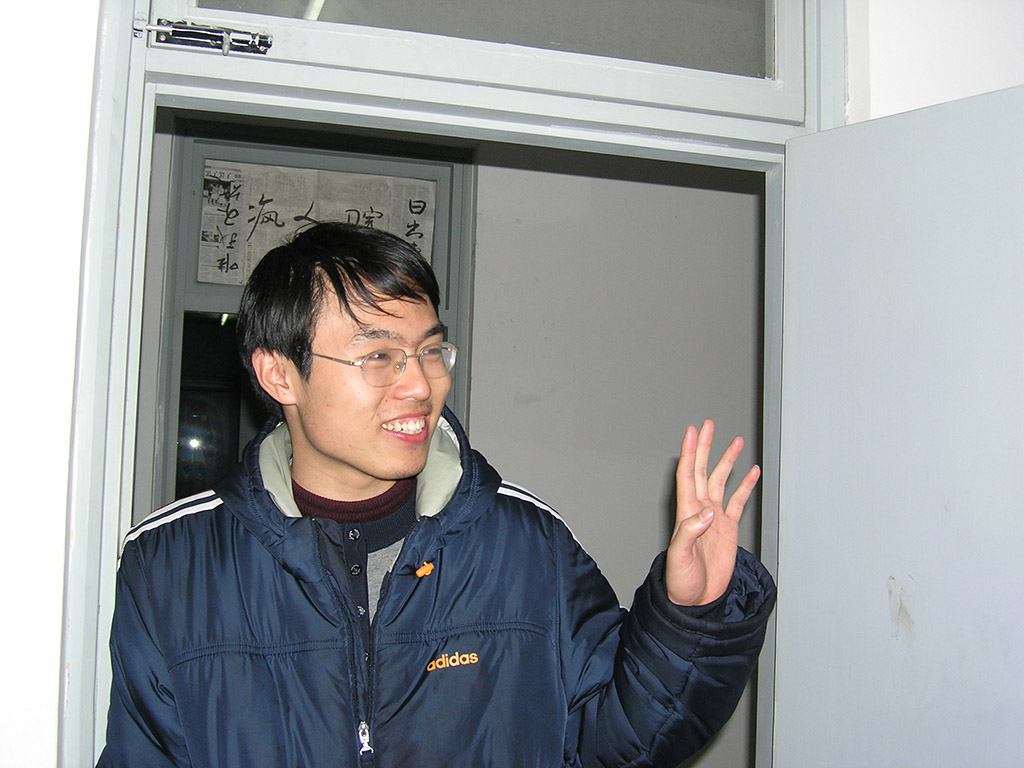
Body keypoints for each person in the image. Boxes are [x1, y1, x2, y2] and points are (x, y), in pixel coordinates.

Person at [98, 222, 776, 767]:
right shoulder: (171, 567)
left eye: (430, 351)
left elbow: (622, 741)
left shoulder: (524, 544)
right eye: (378, 356)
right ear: (279, 375)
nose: (421, 385)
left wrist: (690, 617)